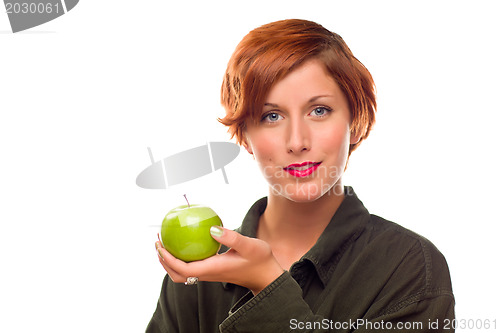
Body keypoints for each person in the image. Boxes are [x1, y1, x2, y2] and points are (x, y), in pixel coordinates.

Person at [147, 19, 455, 332]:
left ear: (356, 121)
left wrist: (267, 286)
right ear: (244, 136)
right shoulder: (200, 273)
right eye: (272, 116)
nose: (297, 142)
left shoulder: (411, 268)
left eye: (319, 110)